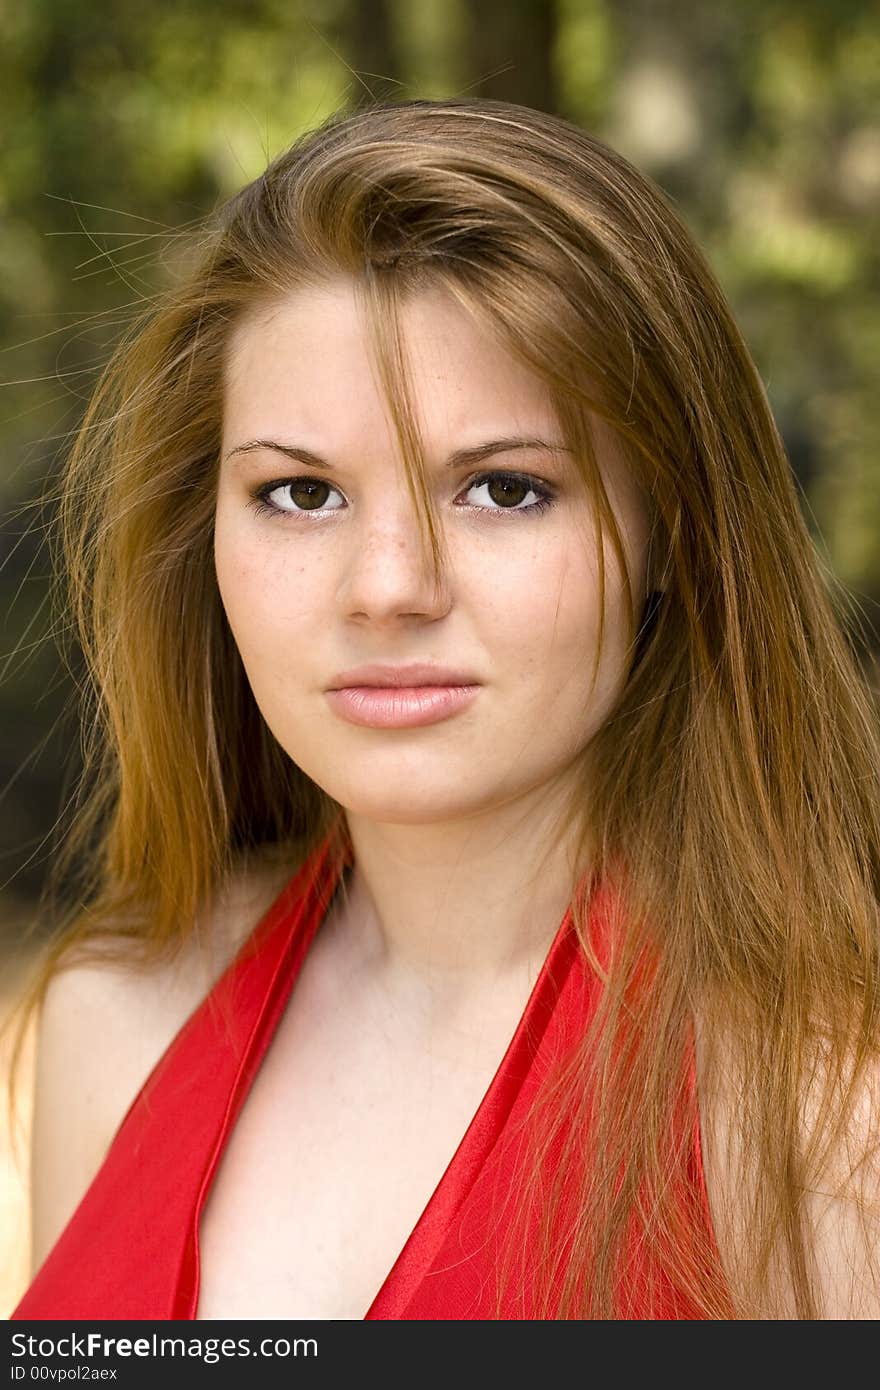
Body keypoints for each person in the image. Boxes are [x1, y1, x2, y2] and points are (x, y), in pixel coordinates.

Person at [6, 96, 880, 1321]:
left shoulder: (823, 1130)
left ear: (672, 530)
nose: (389, 588)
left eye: (504, 489)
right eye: (302, 493)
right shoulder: (116, 1027)